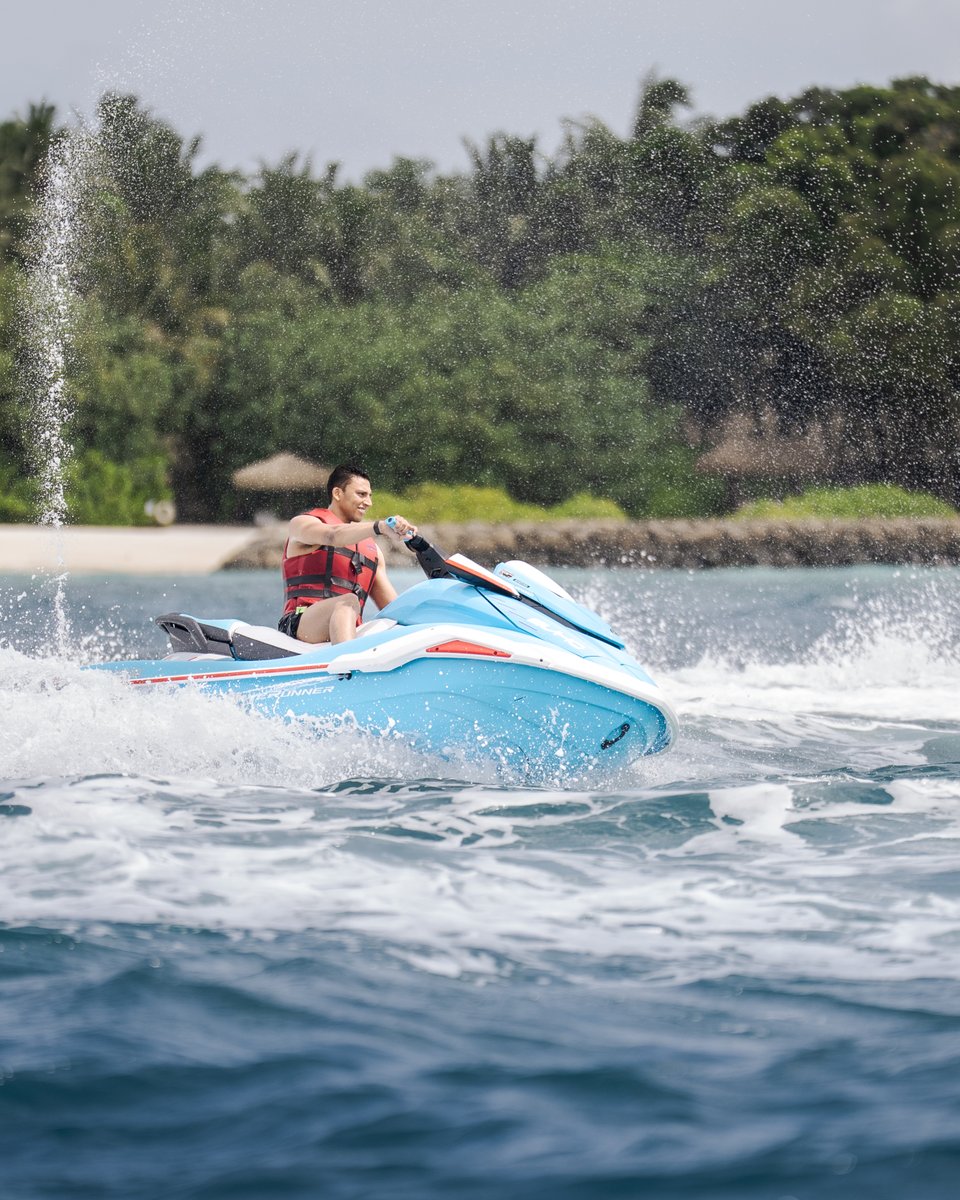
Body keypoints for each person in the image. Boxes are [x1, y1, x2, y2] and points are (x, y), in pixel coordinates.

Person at [278, 464, 417, 644]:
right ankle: (347, 668)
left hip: (348, 631)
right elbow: (333, 535)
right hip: (300, 623)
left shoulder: (373, 552)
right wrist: (380, 527)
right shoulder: (303, 524)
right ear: (337, 493)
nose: (368, 502)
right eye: (361, 494)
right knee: (349, 601)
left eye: (369, 496)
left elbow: (394, 610)